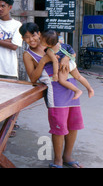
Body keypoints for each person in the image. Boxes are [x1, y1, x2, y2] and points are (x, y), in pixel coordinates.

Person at [19, 22, 87, 168]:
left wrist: (66, 58)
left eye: (34, 35)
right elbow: (32, 78)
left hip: (71, 87)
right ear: (23, 40)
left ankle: (68, 156)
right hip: (54, 93)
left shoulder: (53, 42)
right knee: (59, 126)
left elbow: (70, 52)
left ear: (39, 33)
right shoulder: (28, 54)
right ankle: (58, 160)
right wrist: (43, 61)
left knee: (73, 124)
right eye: (27, 38)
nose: (32, 40)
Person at [41, 30, 94, 100]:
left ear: (48, 45)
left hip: (64, 67)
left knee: (62, 81)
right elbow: (73, 54)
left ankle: (77, 90)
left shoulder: (49, 51)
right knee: (79, 77)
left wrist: (55, 74)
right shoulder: (64, 45)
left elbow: (55, 62)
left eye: (42, 40)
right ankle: (90, 89)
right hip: (72, 63)